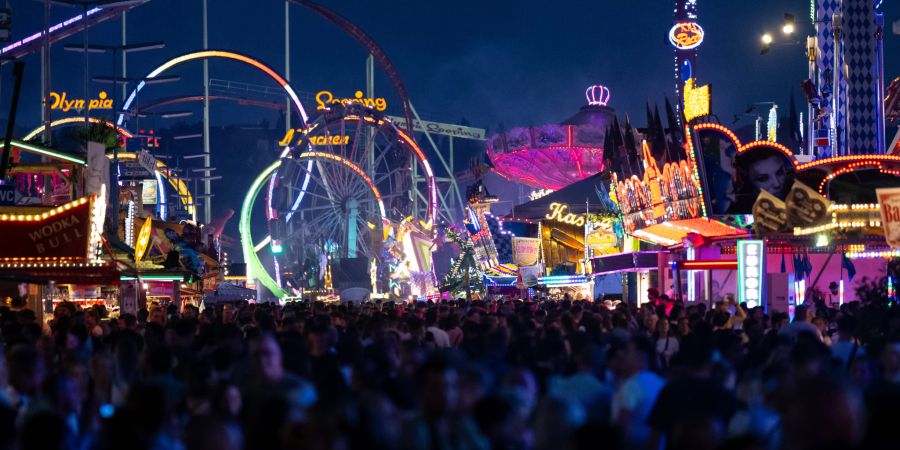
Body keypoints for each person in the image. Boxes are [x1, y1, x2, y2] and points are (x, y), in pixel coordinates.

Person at [610, 336, 664, 449]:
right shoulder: (660, 383)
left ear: (640, 356)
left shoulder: (633, 385)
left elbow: (621, 426)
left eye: (628, 351)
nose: (623, 355)